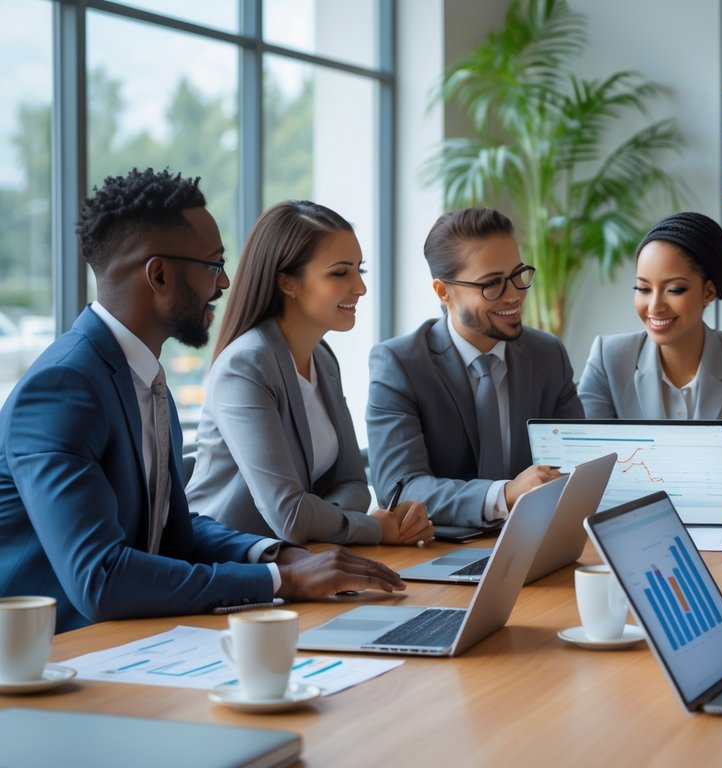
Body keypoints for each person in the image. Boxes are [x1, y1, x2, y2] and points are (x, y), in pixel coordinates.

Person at [0, 169, 404, 633]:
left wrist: (277, 554)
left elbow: (173, 531)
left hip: (130, 639)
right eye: (214, 265)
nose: (227, 281)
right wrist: (280, 578)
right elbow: (102, 578)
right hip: (52, 657)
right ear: (160, 274)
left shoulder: (146, 381)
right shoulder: (63, 388)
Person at [186, 200, 431, 547]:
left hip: (302, 558)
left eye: (360, 270)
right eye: (340, 273)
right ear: (288, 283)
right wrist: (372, 528)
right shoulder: (245, 367)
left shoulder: (323, 359)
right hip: (230, 567)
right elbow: (290, 515)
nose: (360, 288)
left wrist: (323, 521)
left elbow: (354, 485)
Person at [367, 207, 583, 528]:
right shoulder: (399, 364)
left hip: (535, 538)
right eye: (492, 284)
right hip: (439, 551)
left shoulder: (547, 354)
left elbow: (575, 463)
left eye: (518, 275)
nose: (515, 295)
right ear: (444, 292)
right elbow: (400, 488)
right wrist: (504, 494)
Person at [578, 212, 722, 528]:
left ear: (708, 292)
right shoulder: (609, 358)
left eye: (674, 289)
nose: (654, 306)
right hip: (631, 530)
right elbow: (584, 473)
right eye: (642, 288)